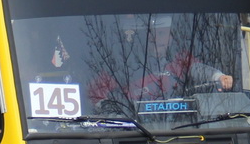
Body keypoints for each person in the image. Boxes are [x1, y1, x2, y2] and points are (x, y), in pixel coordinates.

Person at [90, 13, 233, 107]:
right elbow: (95, 94)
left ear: (170, 38)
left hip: (177, 124)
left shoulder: (179, 62)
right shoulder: (122, 66)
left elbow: (199, 70)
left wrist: (219, 77)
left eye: (162, 33)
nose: (156, 38)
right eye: (151, 34)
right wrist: (106, 106)